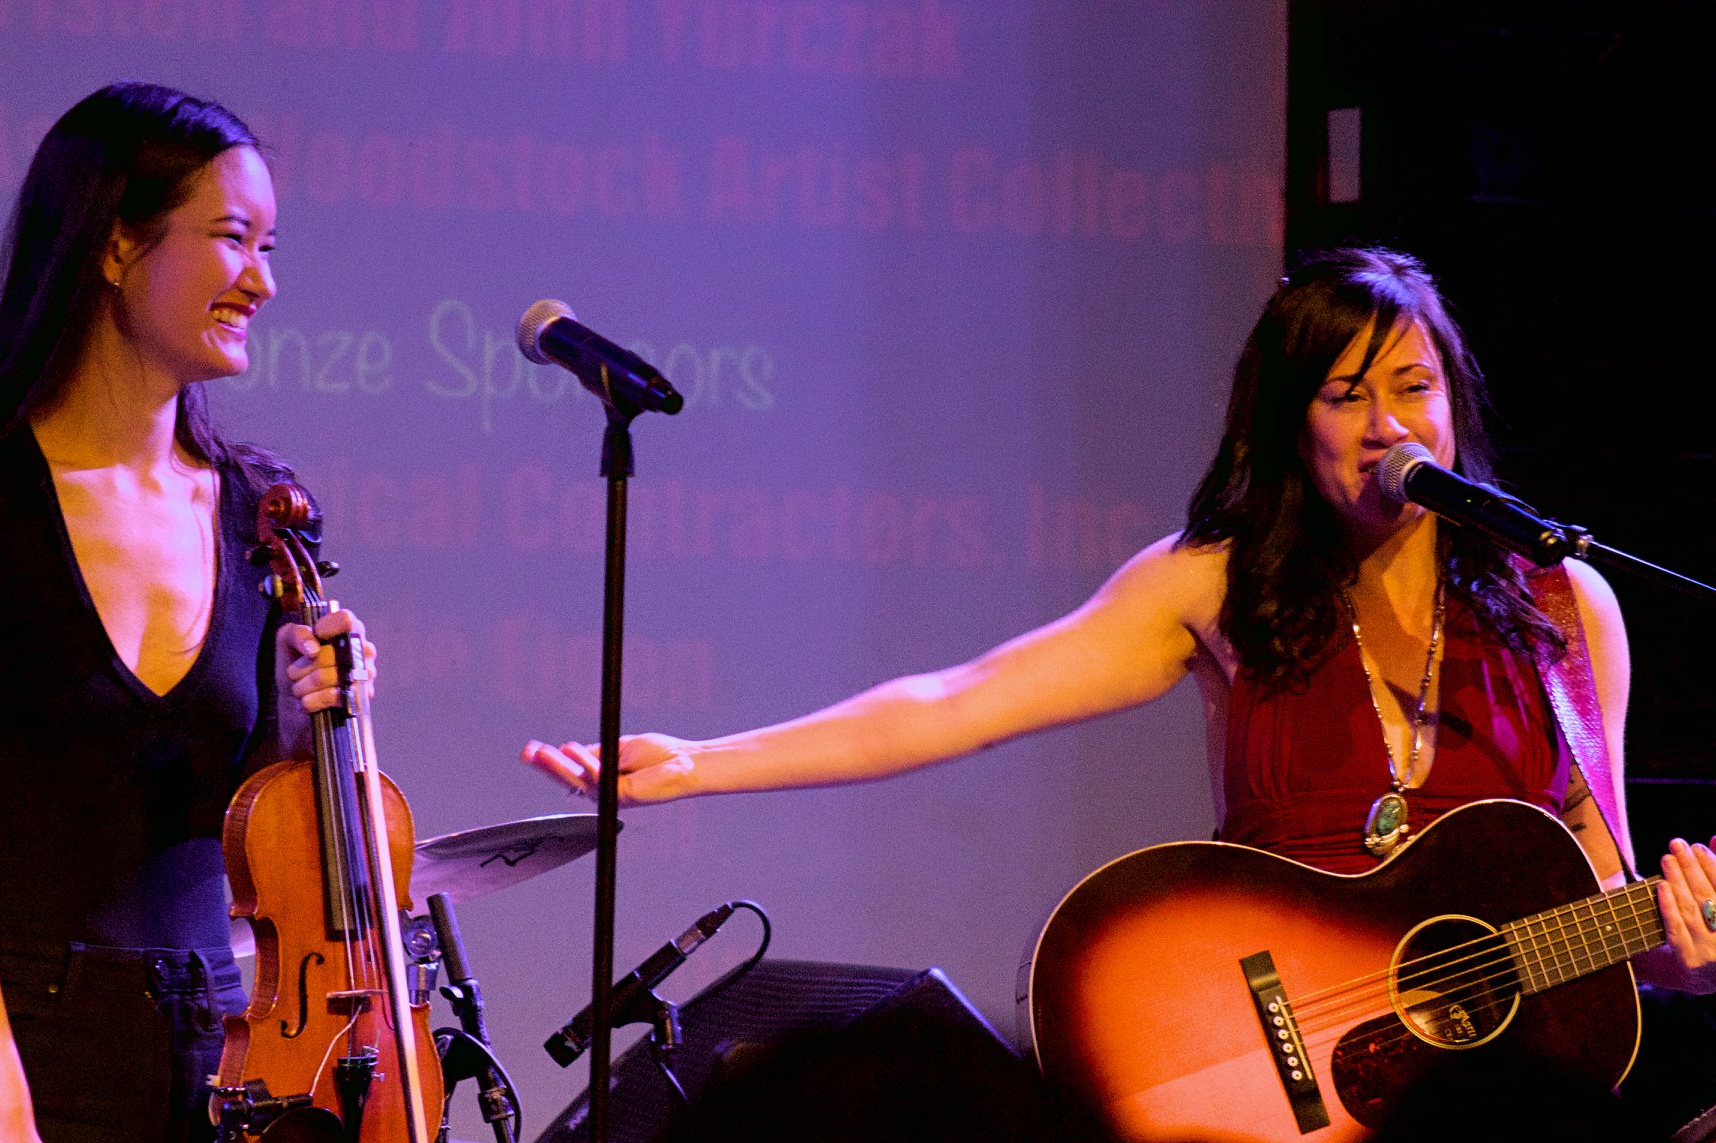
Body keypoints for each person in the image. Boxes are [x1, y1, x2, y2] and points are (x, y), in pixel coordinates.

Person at [524, 246, 1716, 993]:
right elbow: (964, 701)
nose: (1390, 428)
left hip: (1500, 1128)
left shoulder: (1566, 605)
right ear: (1291, 426)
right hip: (1285, 1096)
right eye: (1347, 396)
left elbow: (1612, 915)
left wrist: (1684, 943)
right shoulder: (1217, 582)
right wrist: (704, 764)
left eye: (1415, 389)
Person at [0, 83, 373, 1143]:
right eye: (231, 239)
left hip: (214, 1059)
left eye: (270, 248)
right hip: (20, 1035)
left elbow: (272, 834)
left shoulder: (262, 510)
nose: (262, 279)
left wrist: (332, 722)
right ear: (114, 242)